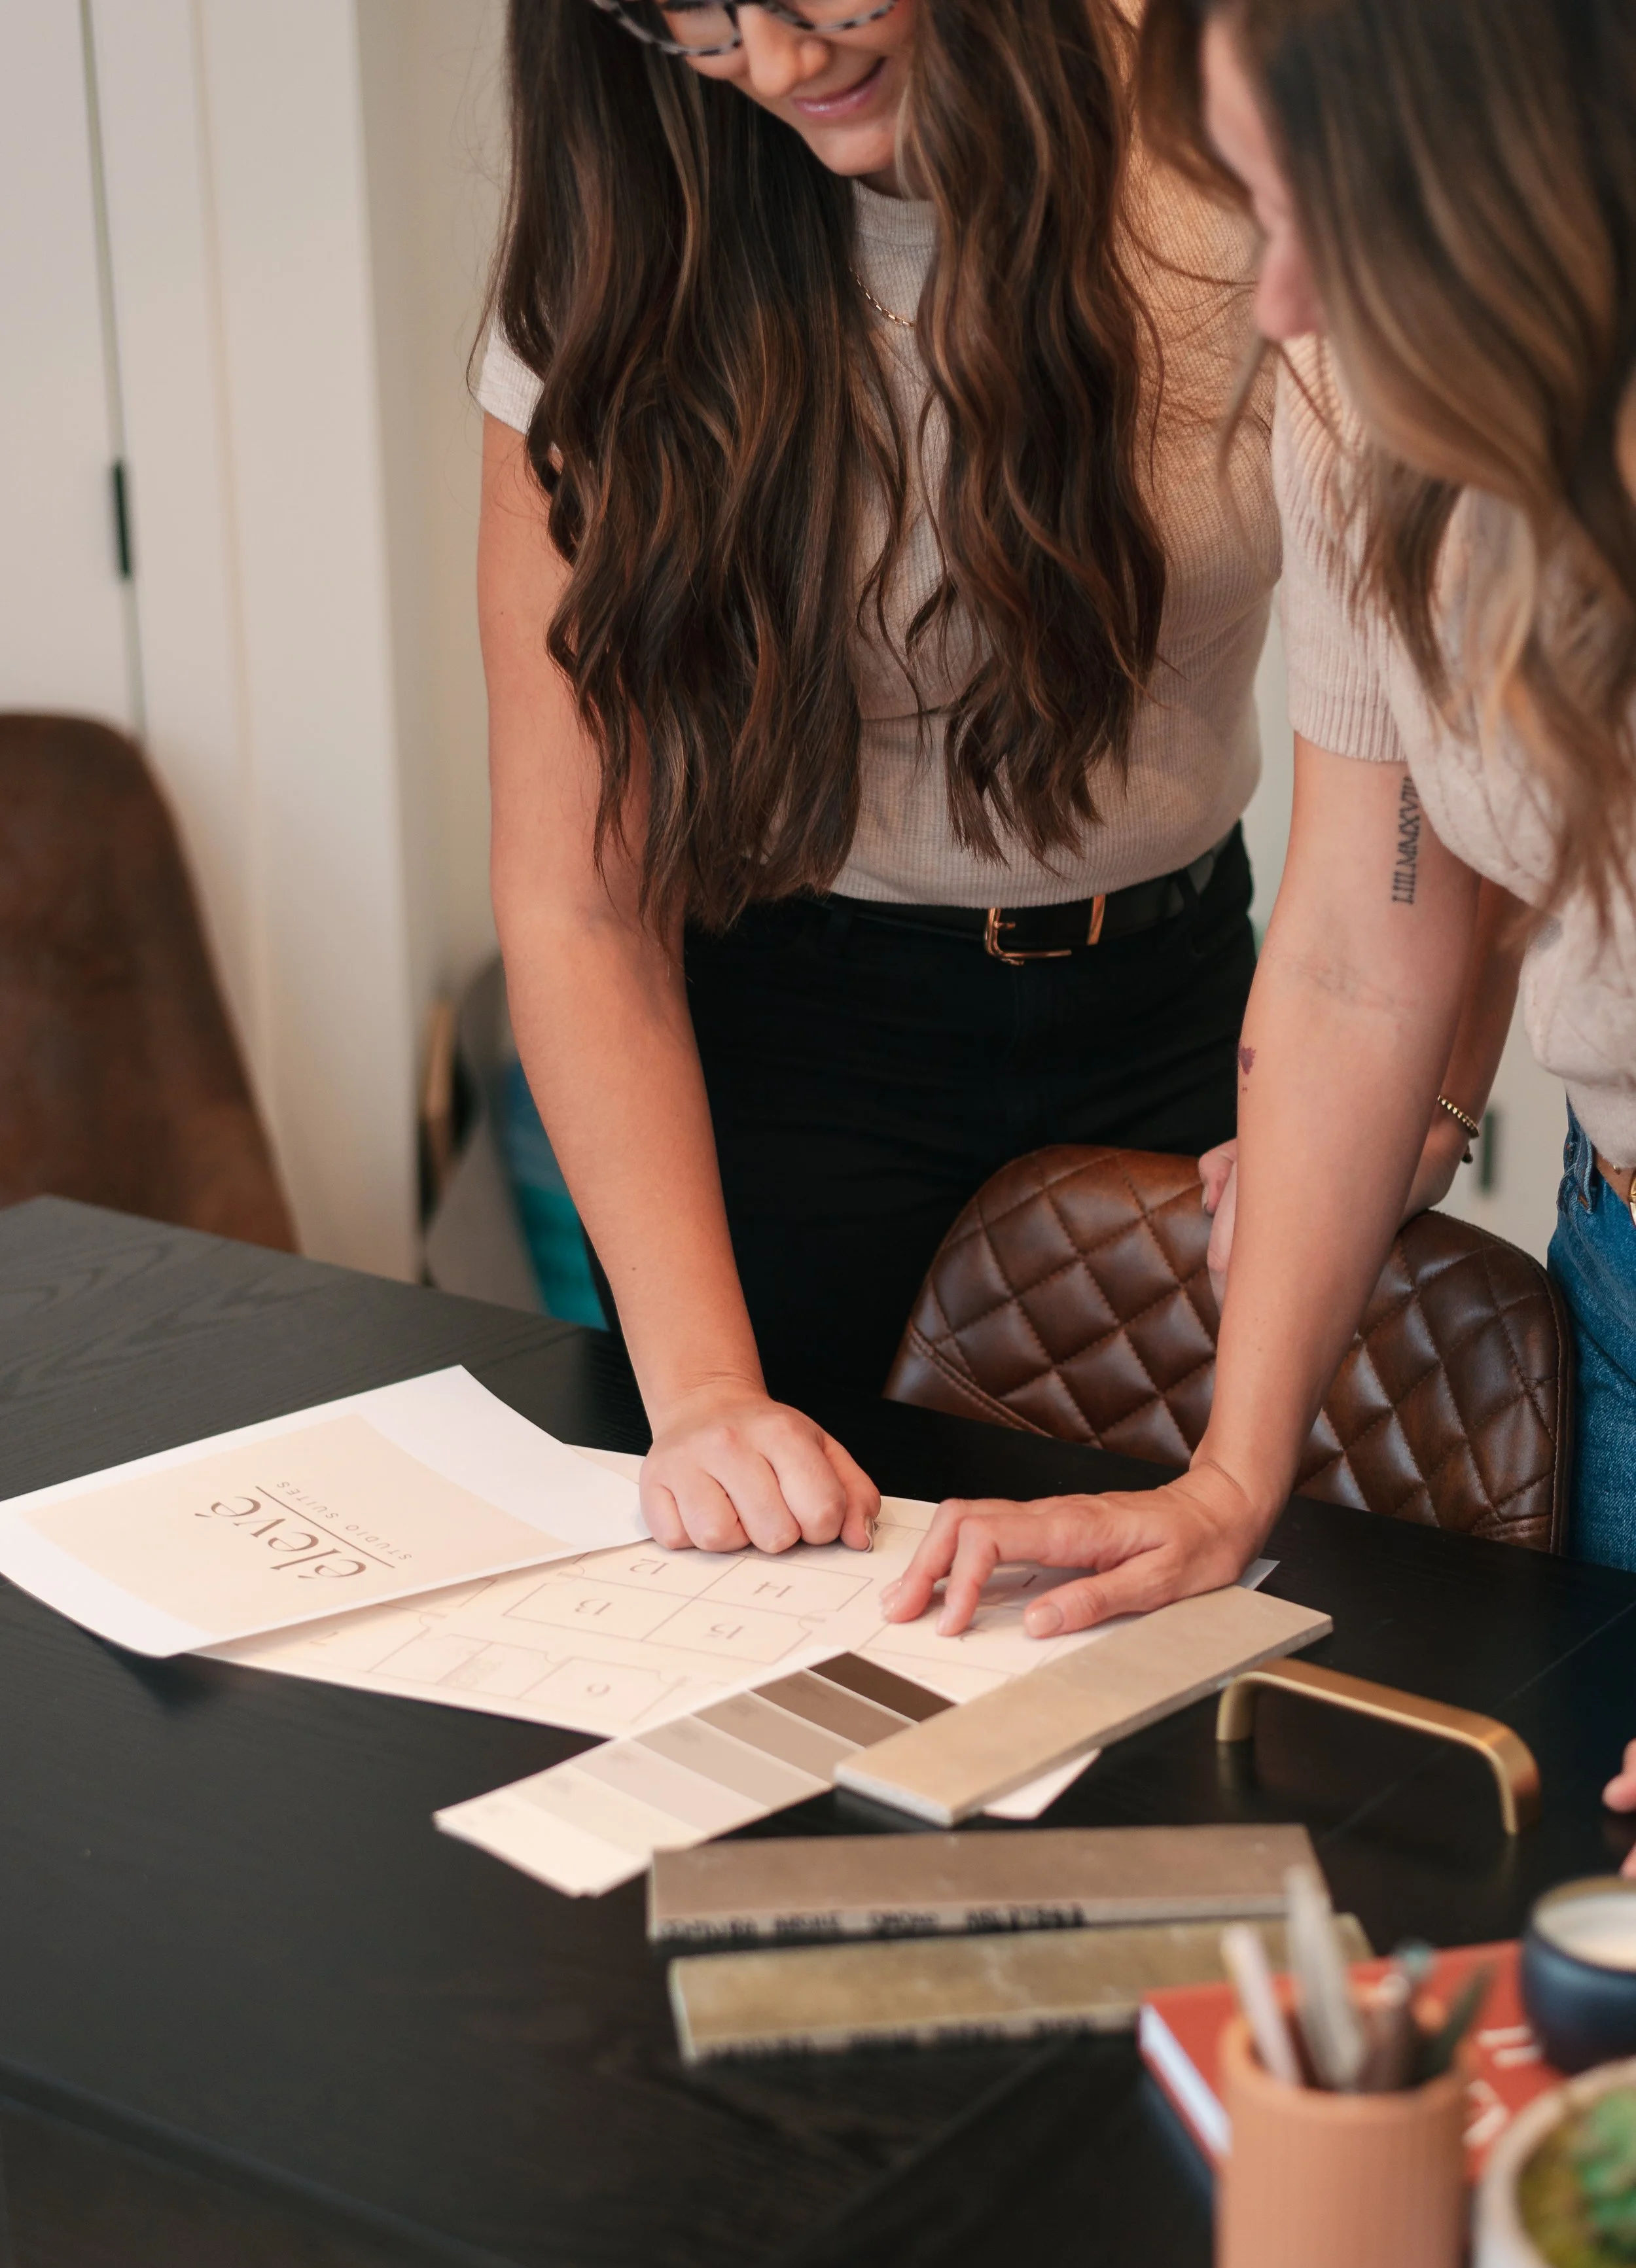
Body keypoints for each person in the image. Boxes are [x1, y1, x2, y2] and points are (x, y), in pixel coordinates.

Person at [478, 0, 1505, 1561]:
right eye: (692, 15)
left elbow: (1443, 768)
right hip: (792, 1044)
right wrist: (698, 1397)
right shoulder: (634, 229)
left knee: (1176, 1611)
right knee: (783, 1630)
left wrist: (1439, 1077)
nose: (773, 63)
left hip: (1185, 1010)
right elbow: (575, 902)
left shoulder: (1240, 145)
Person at [885, 0, 1636, 1644]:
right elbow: (1363, 949)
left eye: (1320, 217)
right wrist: (1230, 1475)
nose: (1273, 299)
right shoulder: (1355, 389)